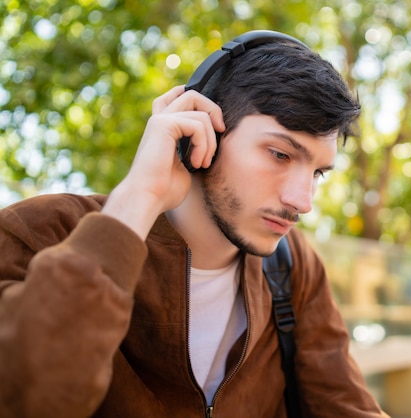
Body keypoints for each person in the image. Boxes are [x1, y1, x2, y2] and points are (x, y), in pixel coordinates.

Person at [0, 30, 390, 417]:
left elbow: (347, 406)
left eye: (318, 173)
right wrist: (141, 194)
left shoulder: (294, 263)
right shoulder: (37, 232)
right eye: (279, 154)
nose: (302, 201)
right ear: (203, 129)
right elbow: (31, 397)